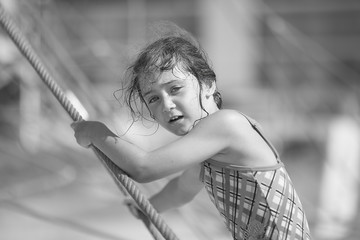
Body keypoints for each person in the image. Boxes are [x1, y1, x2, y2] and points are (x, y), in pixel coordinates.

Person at [71, 28, 311, 240]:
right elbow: (180, 191)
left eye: (175, 89)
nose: (166, 105)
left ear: (208, 85)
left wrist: (95, 132)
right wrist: (145, 207)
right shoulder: (208, 156)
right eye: (153, 98)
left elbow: (144, 168)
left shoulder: (227, 124)